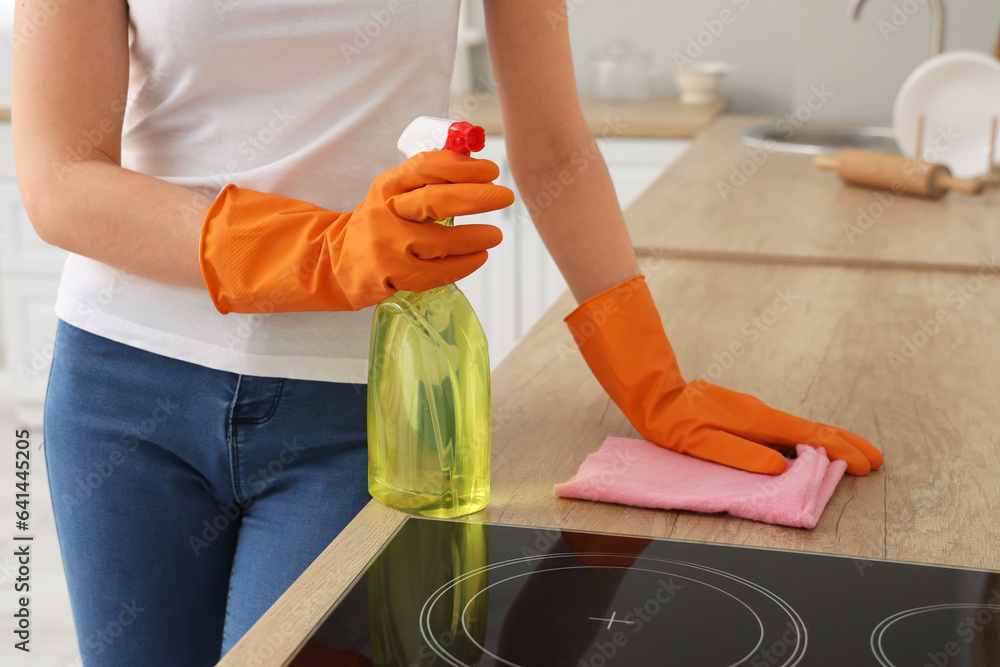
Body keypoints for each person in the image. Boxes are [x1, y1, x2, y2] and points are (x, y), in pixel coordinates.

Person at [12, 1, 883, 665]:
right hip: (123, 395)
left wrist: (649, 376)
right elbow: (60, 179)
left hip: (356, 411)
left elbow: (551, 146)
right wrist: (323, 248)